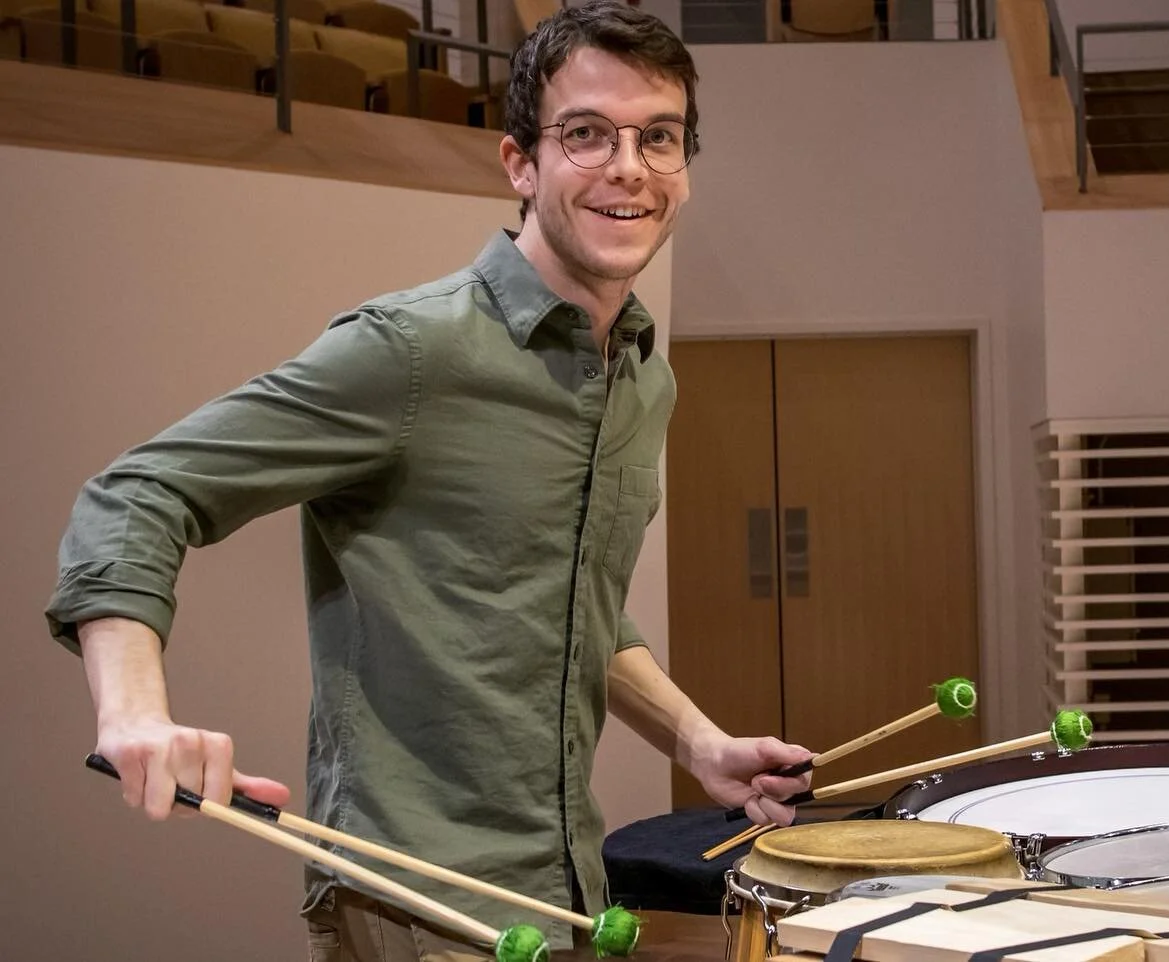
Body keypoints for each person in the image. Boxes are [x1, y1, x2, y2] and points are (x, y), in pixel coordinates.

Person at [43, 3, 811, 958]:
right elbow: (139, 492)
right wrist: (135, 715)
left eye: (659, 138)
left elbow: (574, 600)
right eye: (585, 135)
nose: (628, 168)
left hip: (567, 880)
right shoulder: (407, 352)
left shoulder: (641, 375)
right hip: (414, 899)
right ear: (519, 164)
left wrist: (697, 744)